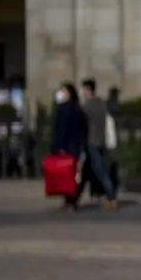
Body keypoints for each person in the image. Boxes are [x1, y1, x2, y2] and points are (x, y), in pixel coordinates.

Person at [79, 79, 118, 210]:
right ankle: (104, 195)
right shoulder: (102, 103)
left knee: (100, 170)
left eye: (84, 89)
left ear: (88, 90)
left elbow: (84, 125)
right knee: (97, 168)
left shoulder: (88, 106)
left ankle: (111, 196)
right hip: (101, 140)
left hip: (92, 140)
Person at [50, 83, 86, 211]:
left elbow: (63, 129)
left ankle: (70, 201)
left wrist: (60, 146)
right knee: (70, 175)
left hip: (67, 147)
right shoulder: (76, 108)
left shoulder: (66, 108)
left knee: (67, 175)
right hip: (73, 146)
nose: (60, 93)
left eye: (63, 90)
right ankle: (70, 201)